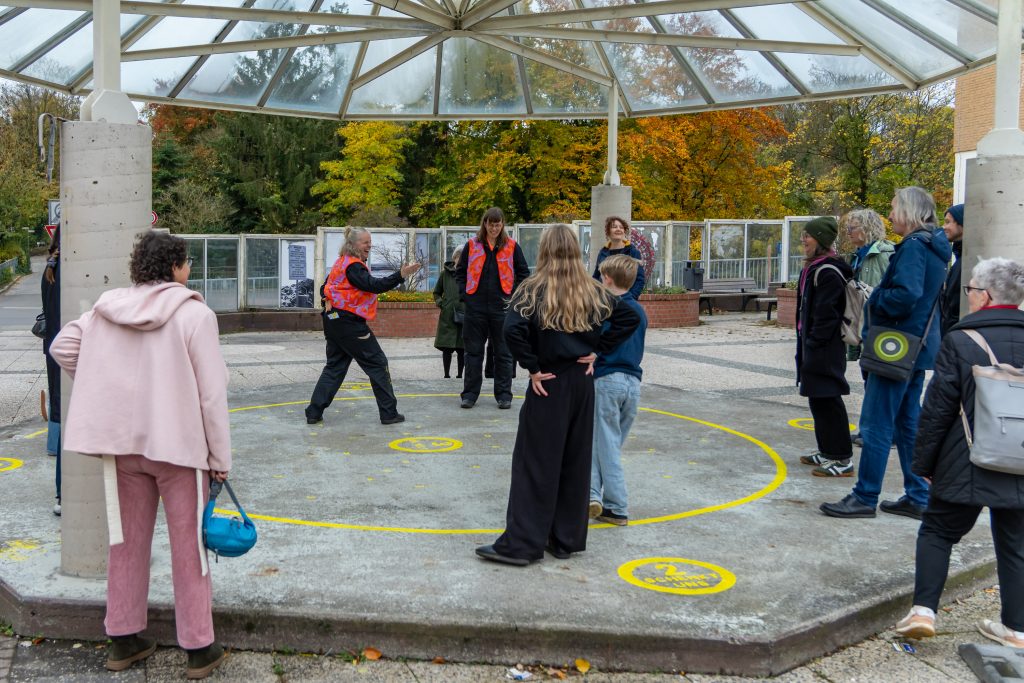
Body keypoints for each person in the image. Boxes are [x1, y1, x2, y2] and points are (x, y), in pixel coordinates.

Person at [48, 231, 231, 679]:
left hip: (122, 447)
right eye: (185, 263)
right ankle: (198, 647)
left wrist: (103, 383)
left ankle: (124, 637)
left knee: (125, 544)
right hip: (178, 448)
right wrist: (221, 459)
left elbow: (61, 347)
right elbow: (211, 396)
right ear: (176, 267)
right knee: (191, 548)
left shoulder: (105, 309)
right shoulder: (195, 315)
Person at [475, 224, 640, 566]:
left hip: (548, 381)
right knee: (574, 460)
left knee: (534, 462)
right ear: (576, 251)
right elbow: (628, 318)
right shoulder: (592, 289)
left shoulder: (532, 289)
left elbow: (512, 330)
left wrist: (532, 367)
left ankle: (522, 545)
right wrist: (598, 350)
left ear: (545, 250)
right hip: (582, 383)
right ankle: (565, 539)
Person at [894, 257, 1024, 648]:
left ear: (983, 297)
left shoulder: (961, 340)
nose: (966, 295)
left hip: (964, 456)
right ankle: (1017, 629)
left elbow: (937, 410)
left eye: (969, 289)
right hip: (1020, 458)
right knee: (1016, 542)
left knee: (938, 530)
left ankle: (924, 612)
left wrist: (924, 464)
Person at [821, 187, 951, 520]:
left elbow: (905, 295)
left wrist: (874, 299)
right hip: (918, 349)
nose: (890, 215)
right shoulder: (936, 247)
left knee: (877, 423)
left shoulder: (913, 247)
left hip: (896, 347)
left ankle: (865, 496)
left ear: (908, 211)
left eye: (893, 209)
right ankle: (918, 495)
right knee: (907, 424)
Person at [306, 227, 421, 425]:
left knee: (335, 366)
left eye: (370, 241)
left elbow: (322, 289)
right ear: (353, 245)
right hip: (349, 324)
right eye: (365, 242)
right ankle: (388, 413)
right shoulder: (354, 267)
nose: (369, 245)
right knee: (377, 363)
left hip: (332, 320)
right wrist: (400, 275)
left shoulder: (340, 264)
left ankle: (313, 412)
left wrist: (331, 298)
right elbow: (374, 285)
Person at [793, 217, 855, 477]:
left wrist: (814, 344)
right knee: (817, 399)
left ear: (820, 240)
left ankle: (842, 459)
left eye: (808, 236)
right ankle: (827, 449)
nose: (804, 241)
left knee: (829, 400)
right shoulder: (815, 268)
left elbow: (828, 315)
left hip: (824, 349)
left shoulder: (828, 271)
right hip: (813, 346)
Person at [589, 254, 647, 526]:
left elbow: (600, 339)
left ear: (608, 279)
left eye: (601, 277)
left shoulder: (611, 308)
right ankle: (593, 497)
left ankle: (617, 504)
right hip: (632, 384)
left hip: (608, 378)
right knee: (606, 444)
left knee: (605, 445)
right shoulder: (639, 310)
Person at [456, 207, 530, 410]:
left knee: (504, 353)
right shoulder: (472, 245)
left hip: (502, 308)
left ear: (502, 224)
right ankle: (469, 395)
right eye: (491, 224)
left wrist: (513, 297)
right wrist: (465, 295)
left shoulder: (512, 246)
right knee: (473, 353)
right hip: (475, 308)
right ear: (485, 224)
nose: (494, 228)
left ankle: (504, 395)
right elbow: (460, 272)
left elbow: (523, 273)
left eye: (498, 224)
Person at [843, 209, 894, 363]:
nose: (848, 232)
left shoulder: (886, 254)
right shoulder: (856, 256)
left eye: (852, 228)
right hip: (860, 322)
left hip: (878, 325)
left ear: (867, 228)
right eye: (848, 228)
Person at [40, 227, 62, 516]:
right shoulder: (67, 272)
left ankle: (52, 444)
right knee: (65, 400)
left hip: (52, 343)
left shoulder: (49, 269)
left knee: (58, 397)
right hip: (66, 341)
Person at [591, 216, 645, 299]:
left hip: (625, 300)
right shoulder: (603, 252)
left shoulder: (633, 252)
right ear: (608, 232)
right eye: (614, 227)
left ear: (624, 231)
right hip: (605, 300)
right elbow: (596, 277)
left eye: (621, 227)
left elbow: (640, 279)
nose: (618, 229)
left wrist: (630, 298)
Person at [433, 246, 465, 379]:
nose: (461, 261)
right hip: (448, 316)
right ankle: (446, 375)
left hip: (464, 316)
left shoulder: (470, 274)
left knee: (462, 349)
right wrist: (442, 304)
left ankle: (459, 375)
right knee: (447, 348)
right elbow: (436, 292)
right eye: (459, 258)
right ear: (454, 258)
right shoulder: (444, 274)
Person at [940, 203, 965, 336]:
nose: (944, 227)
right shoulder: (960, 261)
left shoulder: (965, 264)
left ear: (962, 223)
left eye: (948, 222)